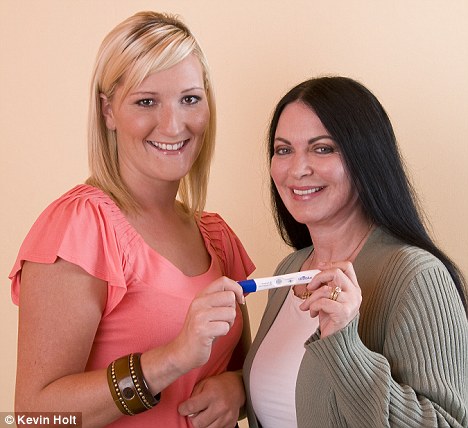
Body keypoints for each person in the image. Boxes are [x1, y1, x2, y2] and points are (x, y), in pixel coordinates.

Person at [10, 11, 255, 428]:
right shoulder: (80, 229)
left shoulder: (217, 236)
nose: (173, 125)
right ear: (108, 111)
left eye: (190, 99)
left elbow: (247, 368)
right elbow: (35, 416)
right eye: (146, 102)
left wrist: (238, 389)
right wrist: (170, 359)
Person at [243, 76, 468, 427]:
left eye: (322, 148)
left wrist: (344, 344)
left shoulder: (418, 276)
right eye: (284, 150)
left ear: (366, 158)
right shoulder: (290, 268)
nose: (298, 169)